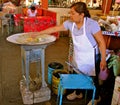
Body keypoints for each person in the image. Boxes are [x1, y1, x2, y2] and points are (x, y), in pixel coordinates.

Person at [36, 2, 106, 105]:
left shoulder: (92, 24)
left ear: (82, 15)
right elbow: (55, 28)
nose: (70, 15)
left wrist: (103, 59)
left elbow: (101, 42)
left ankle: (96, 97)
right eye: (70, 13)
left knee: (92, 78)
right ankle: (78, 93)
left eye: (73, 13)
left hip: (91, 56)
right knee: (77, 74)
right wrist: (38, 33)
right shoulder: (70, 23)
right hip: (78, 54)